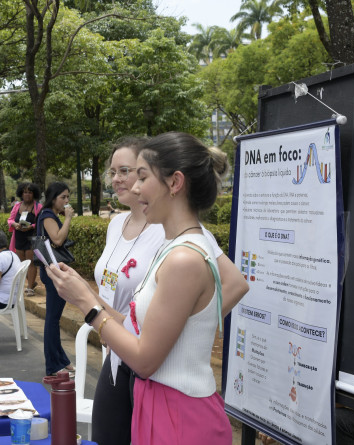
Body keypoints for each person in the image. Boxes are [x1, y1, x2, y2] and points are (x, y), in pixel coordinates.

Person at [47, 132, 249, 444]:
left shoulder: (183, 258)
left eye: (141, 176)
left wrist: (88, 305)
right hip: (158, 402)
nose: (135, 187)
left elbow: (143, 360)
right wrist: (83, 294)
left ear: (175, 183)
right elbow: (136, 328)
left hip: (178, 413)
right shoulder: (172, 248)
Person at [37, 182, 75, 377]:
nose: (66, 201)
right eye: (63, 197)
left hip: (53, 270)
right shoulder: (47, 216)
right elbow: (58, 240)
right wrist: (68, 218)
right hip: (52, 271)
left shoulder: (49, 215)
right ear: (53, 198)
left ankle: (62, 360)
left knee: (54, 318)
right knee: (52, 319)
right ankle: (53, 366)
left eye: (68, 197)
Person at [7, 182, 42, 295]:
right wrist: (15, 224)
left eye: (30, 192)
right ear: (21, 194)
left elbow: (41, 222)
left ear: (34, 194)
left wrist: (31, 226)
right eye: (25, 192)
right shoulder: (17, 206)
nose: (27, 194)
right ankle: (31, 282)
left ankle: (30, 288)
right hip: (19, 237)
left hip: (31, 238)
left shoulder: (38, 207)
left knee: (30, 262)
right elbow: (10, 219)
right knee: (22, 263)